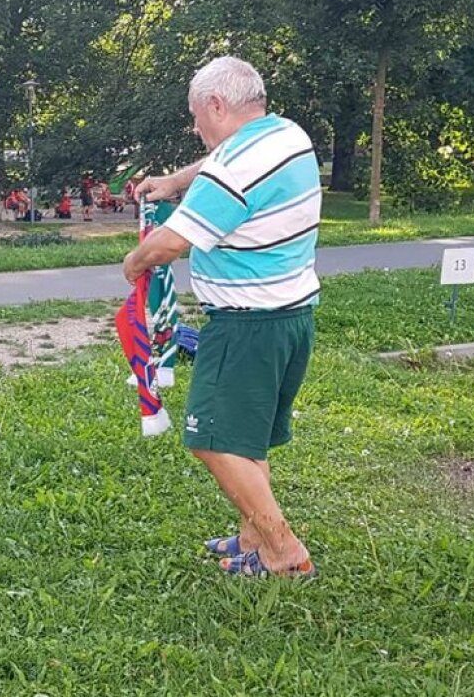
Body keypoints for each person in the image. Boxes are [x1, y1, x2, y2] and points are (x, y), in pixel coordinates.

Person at [123, 56, 321, 578]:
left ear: (215, 104)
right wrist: (174, 181)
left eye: (196, 116)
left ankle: (282, 551)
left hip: (246, 325)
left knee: (212, 440)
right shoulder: (286, 136)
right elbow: (224, 162)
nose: (195, 128)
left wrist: (133, 263)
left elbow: (169, 245)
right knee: (245, 437)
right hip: (290, 317)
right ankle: (254, 537)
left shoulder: (234, 167)